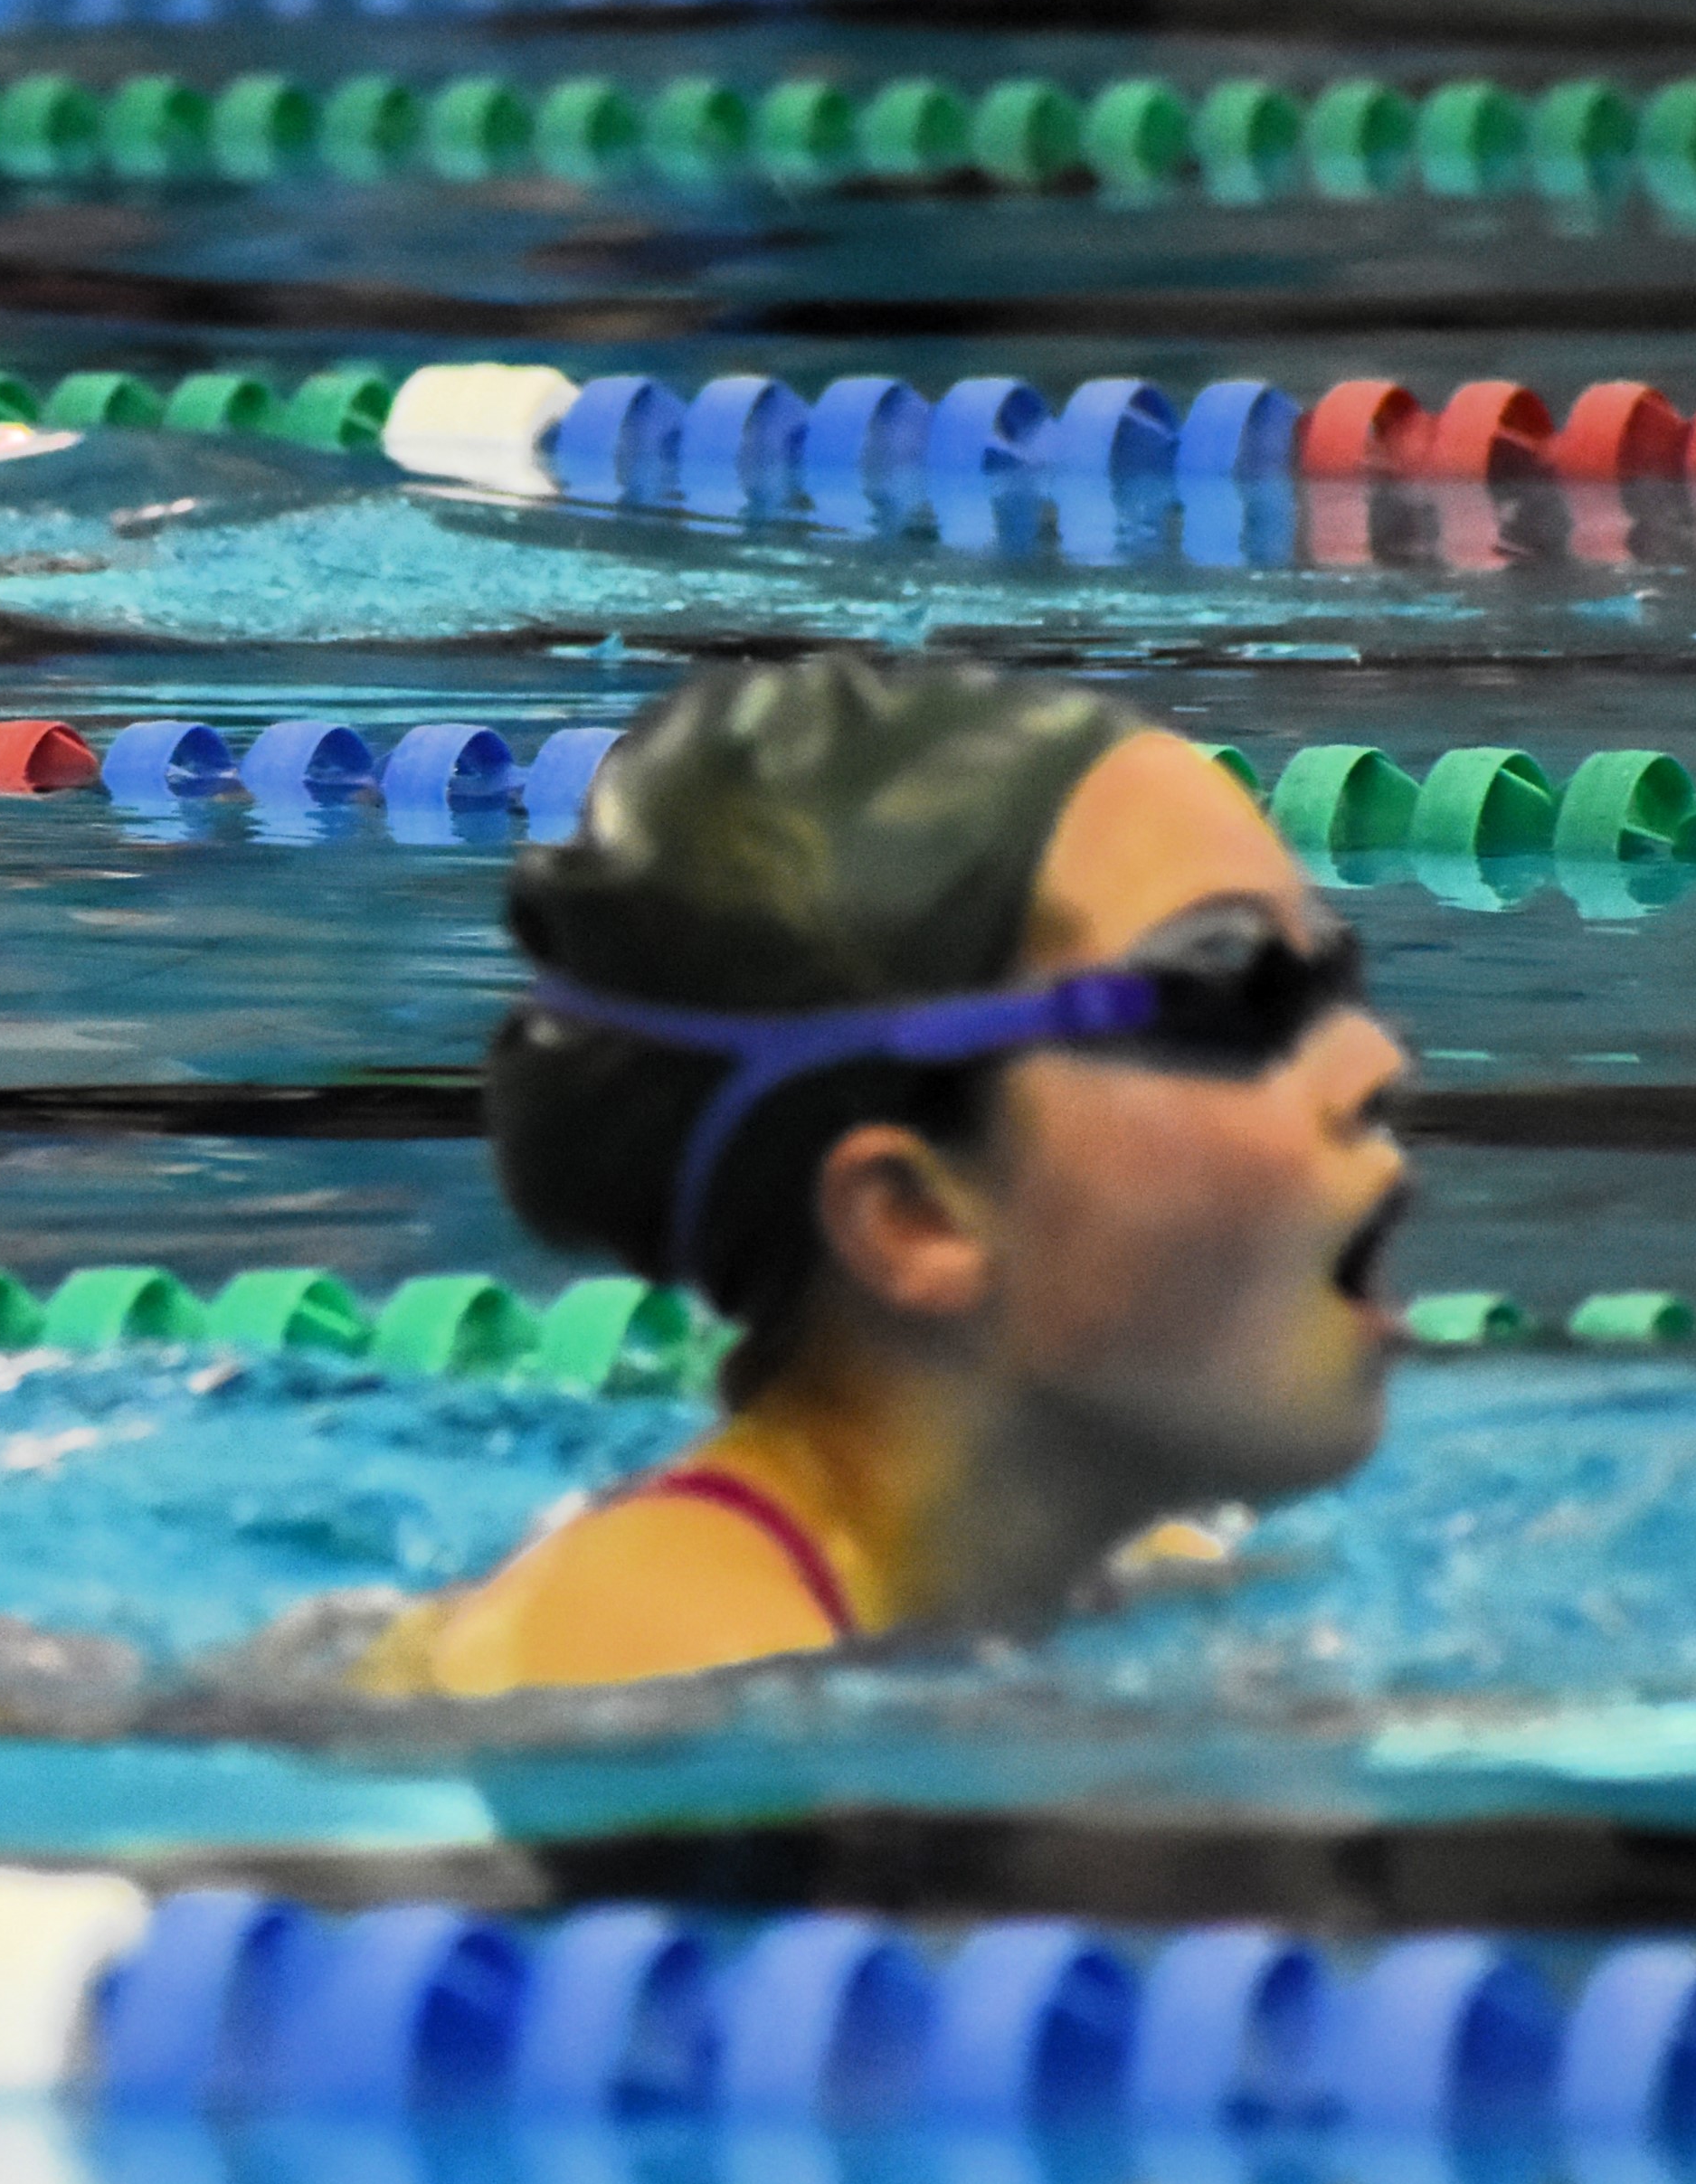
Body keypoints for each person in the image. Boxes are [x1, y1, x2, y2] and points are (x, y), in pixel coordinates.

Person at [348, 651, 1414, 1697]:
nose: (1376, 1060)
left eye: (1333, 974)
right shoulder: (627, 1659)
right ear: (911, 1218)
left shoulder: (1134, 1571)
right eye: (1226, 989)